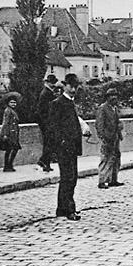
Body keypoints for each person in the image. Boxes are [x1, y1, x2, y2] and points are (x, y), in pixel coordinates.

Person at [50, 74, 86, 221]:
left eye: (75, 86)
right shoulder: (58, 103)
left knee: (70, 178)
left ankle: (61, 209)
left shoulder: (70, 102)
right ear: (65, 86)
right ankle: (69, 209)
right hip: (64, 147)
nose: (73, 89)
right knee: (69, 178)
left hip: (72, 147)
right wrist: (62, 142)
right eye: (71, 86)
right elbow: (53, 127)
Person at [96, 88, 124, 189]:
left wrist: (120, 130)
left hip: (115, 137)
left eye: (115, 95)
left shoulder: (115, 108)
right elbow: (99, 124)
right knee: (105, 158)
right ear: (107, 97)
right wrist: (102, 137)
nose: (114, 97)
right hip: (107, 137)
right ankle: (102, 181)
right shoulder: (102, 108)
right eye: (111, 95)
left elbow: (117, 122)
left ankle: (113, 179)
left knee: (116, 158)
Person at [36, 75, 59, 172]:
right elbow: (43, 110)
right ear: (48, 82)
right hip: (46, 122)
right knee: (49, 143)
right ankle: (44, 161)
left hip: (47, 122)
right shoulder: (46, 93)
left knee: (49, 143)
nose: (53, 84)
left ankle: (45, 162)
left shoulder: (48, 92)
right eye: (52, 82)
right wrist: (47, 123)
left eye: (54, 82)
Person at [0, 93, 22, 172]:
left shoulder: (12, 111)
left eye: (14, 102)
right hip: (10, 134)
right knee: (10, 149)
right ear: (8, 103)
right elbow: (5, 123)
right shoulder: (8, 111)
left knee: (11, 149)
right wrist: (5, 134)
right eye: (11, 102)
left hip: (14, 134)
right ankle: (7, 166)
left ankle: (9, 165)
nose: (13, 104)